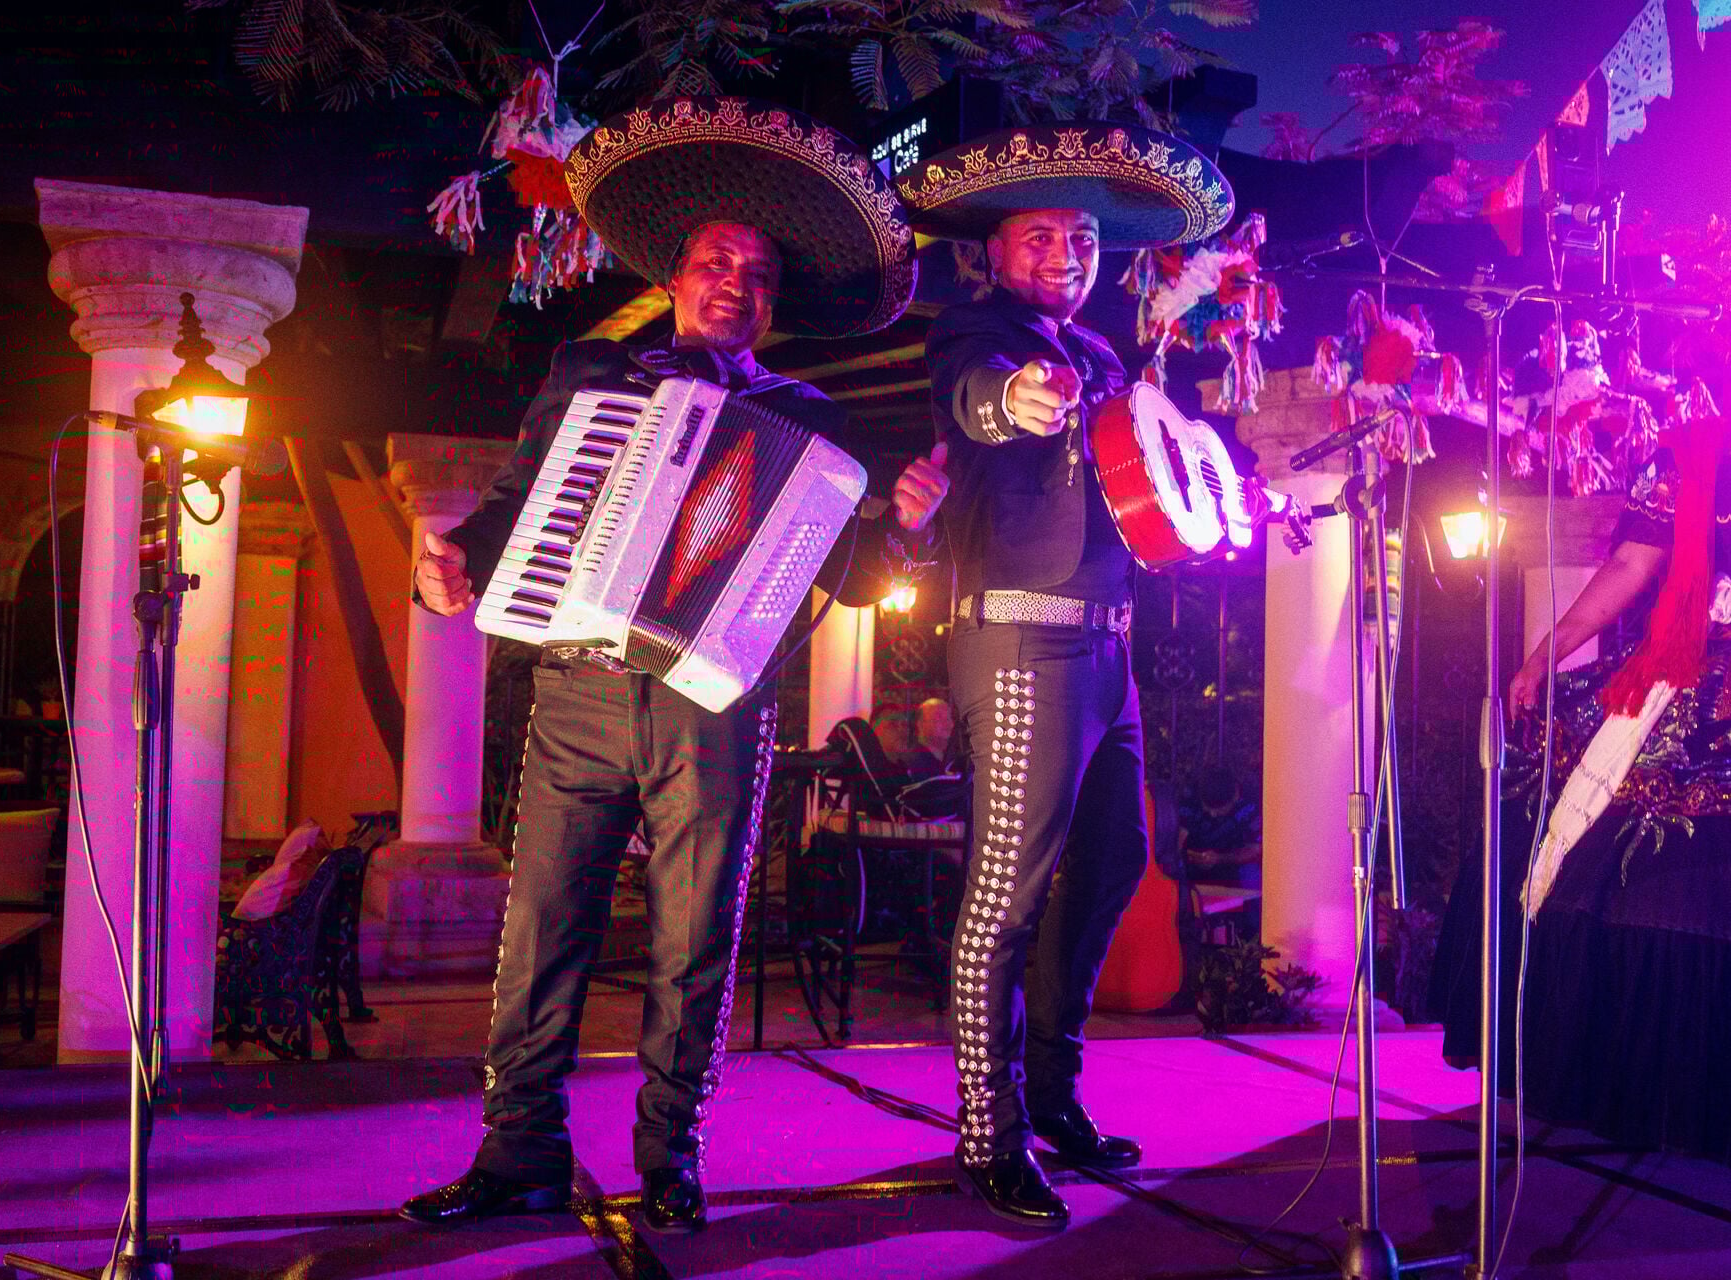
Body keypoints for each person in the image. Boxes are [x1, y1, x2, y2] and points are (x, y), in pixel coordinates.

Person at [399, 96, 948, 1235]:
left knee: (697, 936)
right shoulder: (593, 375)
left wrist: (903, 524)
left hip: (715, 703)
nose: (733, 283)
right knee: (541, 924)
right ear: (680, 274)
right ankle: (518, 1156)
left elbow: (842, 577)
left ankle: (672, 1153)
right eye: (715, 262)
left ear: (769, 300)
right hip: (579, 688)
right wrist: (445, 570)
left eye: (755, 274)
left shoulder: (807, 420)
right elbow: (508, 515)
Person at [1434, 266, 1731, 1193]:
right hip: (1723, 666)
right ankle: (1693, 1093)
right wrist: (1546, 650)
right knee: (1669, 867)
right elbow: (1632, 564)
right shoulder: (1694, 450)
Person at [896, 122, 1233, 1227]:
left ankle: (1052, 1094)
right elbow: (979, 395)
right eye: (1040, 236)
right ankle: (987, 1134)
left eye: (1083, 238)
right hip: (1021, 638)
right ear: (994, 253)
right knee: (1006, 889)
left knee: (1110, 862)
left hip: (1106, 645)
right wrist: (1015, 401)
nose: (1066, 254)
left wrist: (1223, 505)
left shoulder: (1103, 358)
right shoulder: (974, 332)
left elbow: (1148, 479)